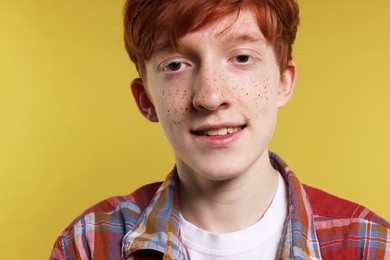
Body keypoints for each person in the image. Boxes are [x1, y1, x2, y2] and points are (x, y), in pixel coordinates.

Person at [50, 0, 390, 259]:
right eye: (176, 65)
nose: (210, 97)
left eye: (242, 58)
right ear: (146, 100)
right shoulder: (91, 243)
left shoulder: (369, 244)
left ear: (283, 83)